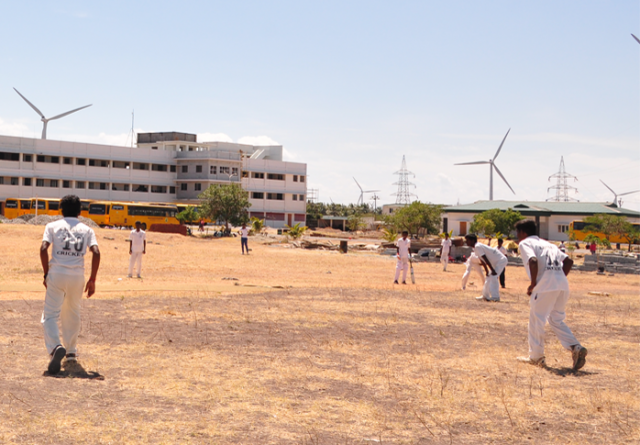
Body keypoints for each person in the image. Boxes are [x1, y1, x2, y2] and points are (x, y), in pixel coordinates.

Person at [514, 220, 587, 370]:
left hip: (544, 286)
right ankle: (575, 347)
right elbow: (569, 261)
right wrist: (557, 278)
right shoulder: (549, 244)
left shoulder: (525, 243)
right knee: (556, 319)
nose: (517, 236)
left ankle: (536, 356)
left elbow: (533, 260)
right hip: (561, 285)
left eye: (518, 233)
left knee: (536, 320)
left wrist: (533, 284)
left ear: (523, 232)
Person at [40, 195, 100, 375]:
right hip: (77, 276)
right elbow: (96, 252)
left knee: (50, 315)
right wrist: (92, 279)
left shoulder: (52, 226)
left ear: (61, 210)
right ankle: (71, 352)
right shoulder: (87, 230)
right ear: (80, 211)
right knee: (72, 312)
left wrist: (46, 273)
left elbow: (43, 248)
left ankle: (55, 347)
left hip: (57, 274)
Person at [465, 234, 507, 302]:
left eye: (467, 240)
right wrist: (487, 271)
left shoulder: (478, 246)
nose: (466, 242)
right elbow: (482, 259)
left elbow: (485, 258)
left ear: (473, 240)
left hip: (500, 260)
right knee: (488, 277)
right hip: (495, 262)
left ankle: (495, 297)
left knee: (493, 276)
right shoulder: (475, 248)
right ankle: (485, 296)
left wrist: (492, 270)